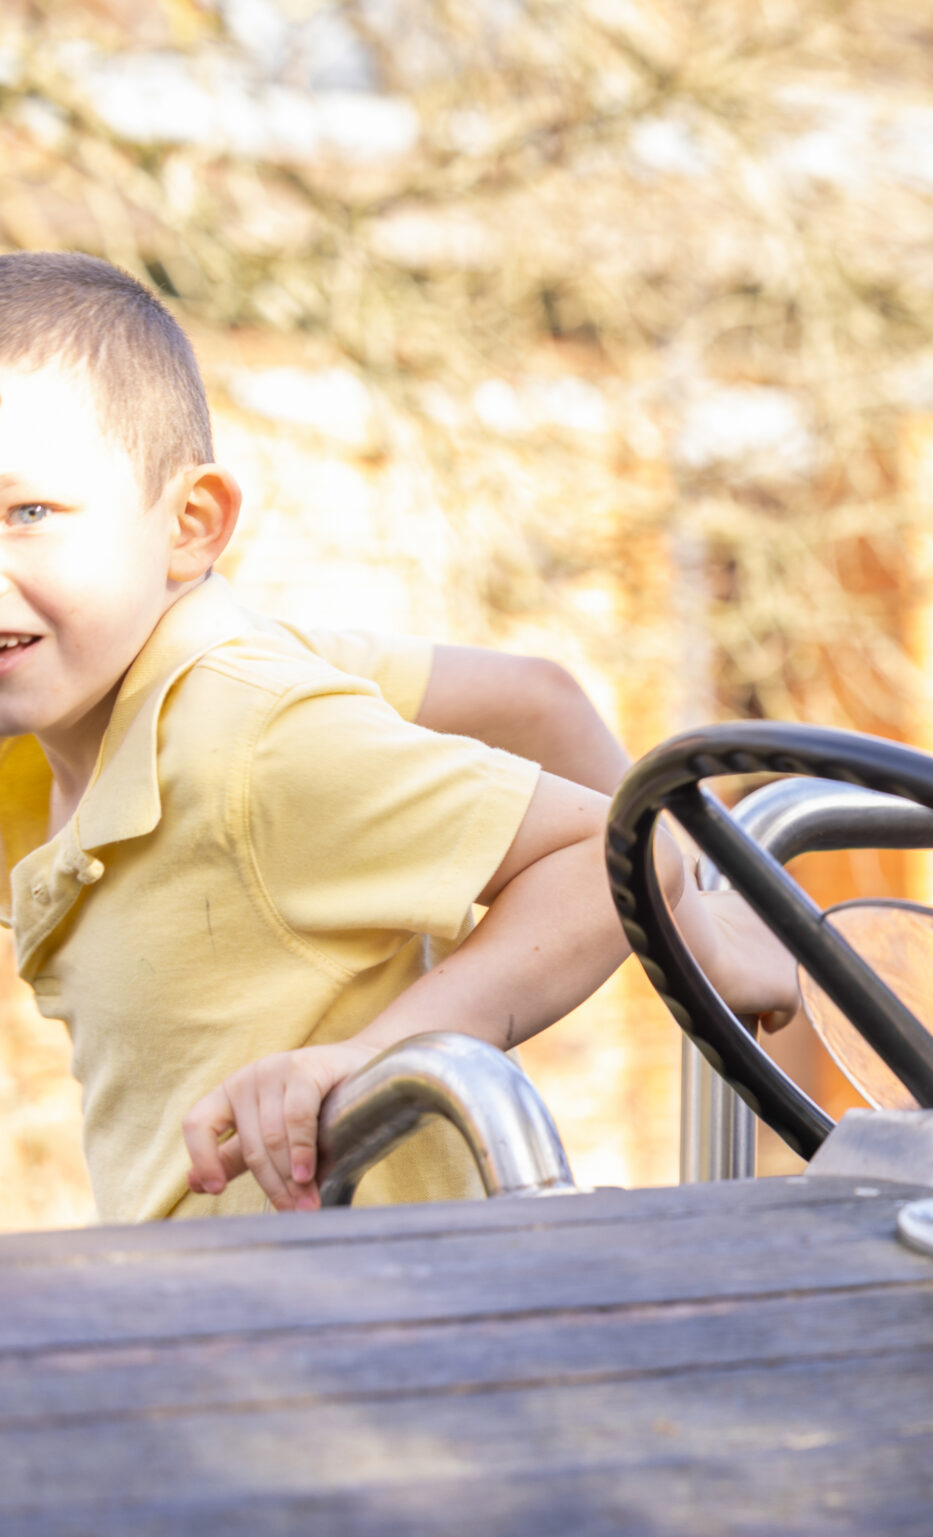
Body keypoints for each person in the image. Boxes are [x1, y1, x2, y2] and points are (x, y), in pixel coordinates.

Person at [0, 251, 790, 1224]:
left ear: (190, 527)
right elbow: (535, 699)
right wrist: (707, 939)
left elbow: (609, 855)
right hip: (195, 1310)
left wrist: (369, 1062)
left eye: (29, 512)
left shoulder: (248, 733)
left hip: (361, 1319)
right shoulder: (55, 734)